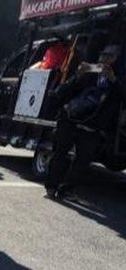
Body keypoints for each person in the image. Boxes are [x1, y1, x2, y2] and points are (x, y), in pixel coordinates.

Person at [46, 45, 122, 199]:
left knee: (83, 160)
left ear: (116, 59)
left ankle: (66, 189)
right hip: (71, 116)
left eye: (110, 56)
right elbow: (64, 90)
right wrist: (78, 75)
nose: (105, 59)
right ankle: (51, 186)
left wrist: (114, 80)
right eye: (103, 55)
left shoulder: (118, 77)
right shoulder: (89, 70)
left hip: (93, 123)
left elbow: (122, 96)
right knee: (60, 152)